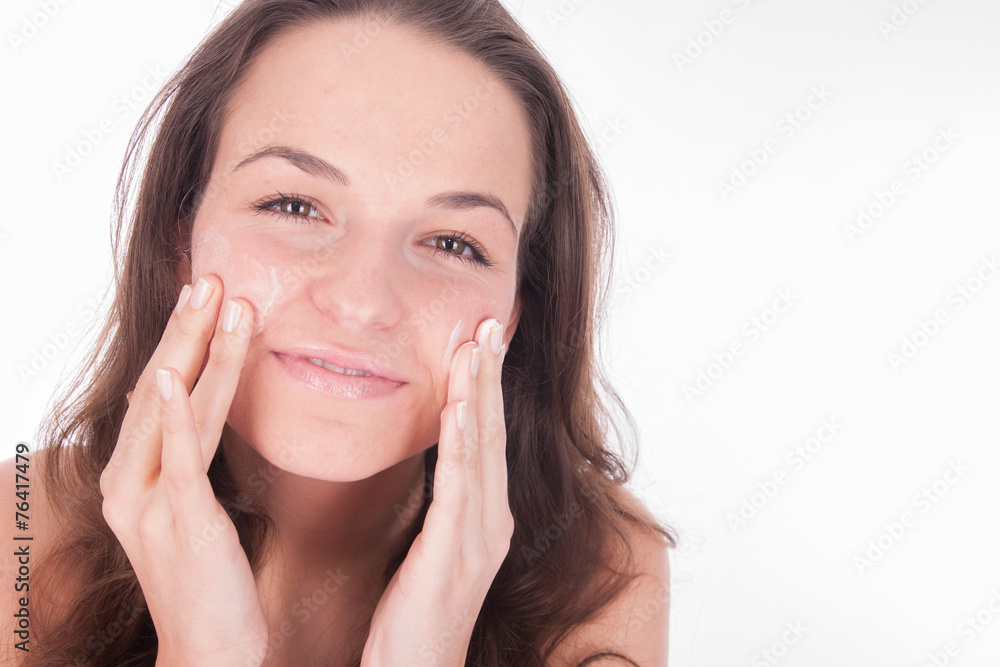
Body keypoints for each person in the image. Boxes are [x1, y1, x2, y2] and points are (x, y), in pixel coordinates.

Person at [0, 0, 675, 664]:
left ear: (515, 314)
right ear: (183, 243)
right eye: (294, 205)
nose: (361, 301)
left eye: (453, 243)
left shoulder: (603, 572)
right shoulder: (20, 525)